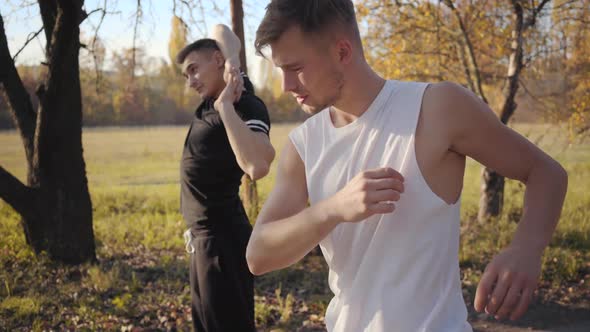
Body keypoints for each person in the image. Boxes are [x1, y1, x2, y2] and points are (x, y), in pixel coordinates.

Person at [245, 1, 568, 331]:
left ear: (342, 52)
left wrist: (526, 248)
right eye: (280, 70)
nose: (285, 85)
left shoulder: (437, 107)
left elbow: (546, 173)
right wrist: (333, 209)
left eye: (295, 67)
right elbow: (258, 255)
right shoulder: (304, 145)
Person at [176, 24, 275, 332]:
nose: (191, 81)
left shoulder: (243, 103)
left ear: (216, 60)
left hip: (223, 243)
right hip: (203, 242)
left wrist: (226, 108)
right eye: (186, 74)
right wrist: (233, 60)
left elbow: (258, 165)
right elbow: (221, 29)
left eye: (194, 69)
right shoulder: (212, 99)